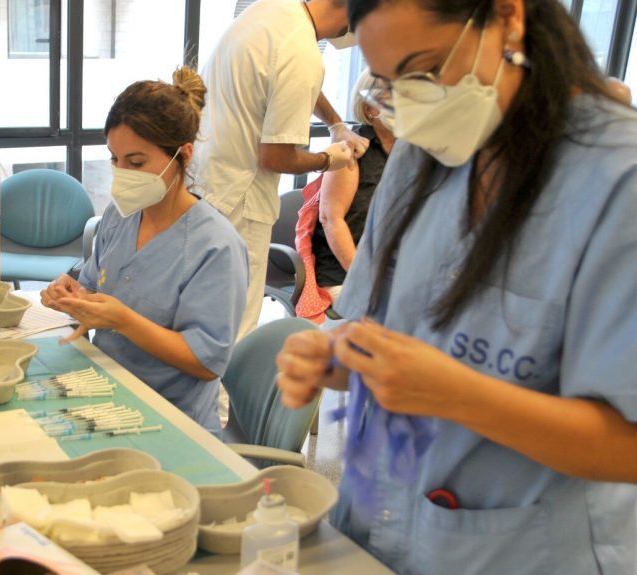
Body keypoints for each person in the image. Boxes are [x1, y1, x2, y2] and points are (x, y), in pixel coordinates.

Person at [275, 0, 637, 573]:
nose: (411, 104)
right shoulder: (426, 149)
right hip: (381, 524)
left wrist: (456, 393)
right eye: (390, 83)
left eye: (425, 70)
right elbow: (377, 331)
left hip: (523, 549)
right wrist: (332, 357)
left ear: (508, 17)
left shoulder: (617, 179)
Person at [40, 68, 249, 436]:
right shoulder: (119, 217)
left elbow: (206, 361)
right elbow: (92, 288)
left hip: (168, 421)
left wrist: (123, 320)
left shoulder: (215, 247)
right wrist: (73, 297)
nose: (122, 173)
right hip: (105, 391)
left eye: (136, 163)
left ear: (182, 155)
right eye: (114, 159)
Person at [194, 0, 366, 340]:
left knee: (202, 309)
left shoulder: (271, 11)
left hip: (206, 182)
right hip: (238, 200)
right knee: (234, 323)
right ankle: (230, 392)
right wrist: (328, 160)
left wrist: (335, 124)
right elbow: (275, 157)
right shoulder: (302, 52)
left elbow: (291, 86)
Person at [294, 67, 395, 322]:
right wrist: (365, 278)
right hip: (344, 276)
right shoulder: (350, 151)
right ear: (371, 109)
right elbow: (332, 219)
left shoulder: (410, 154)